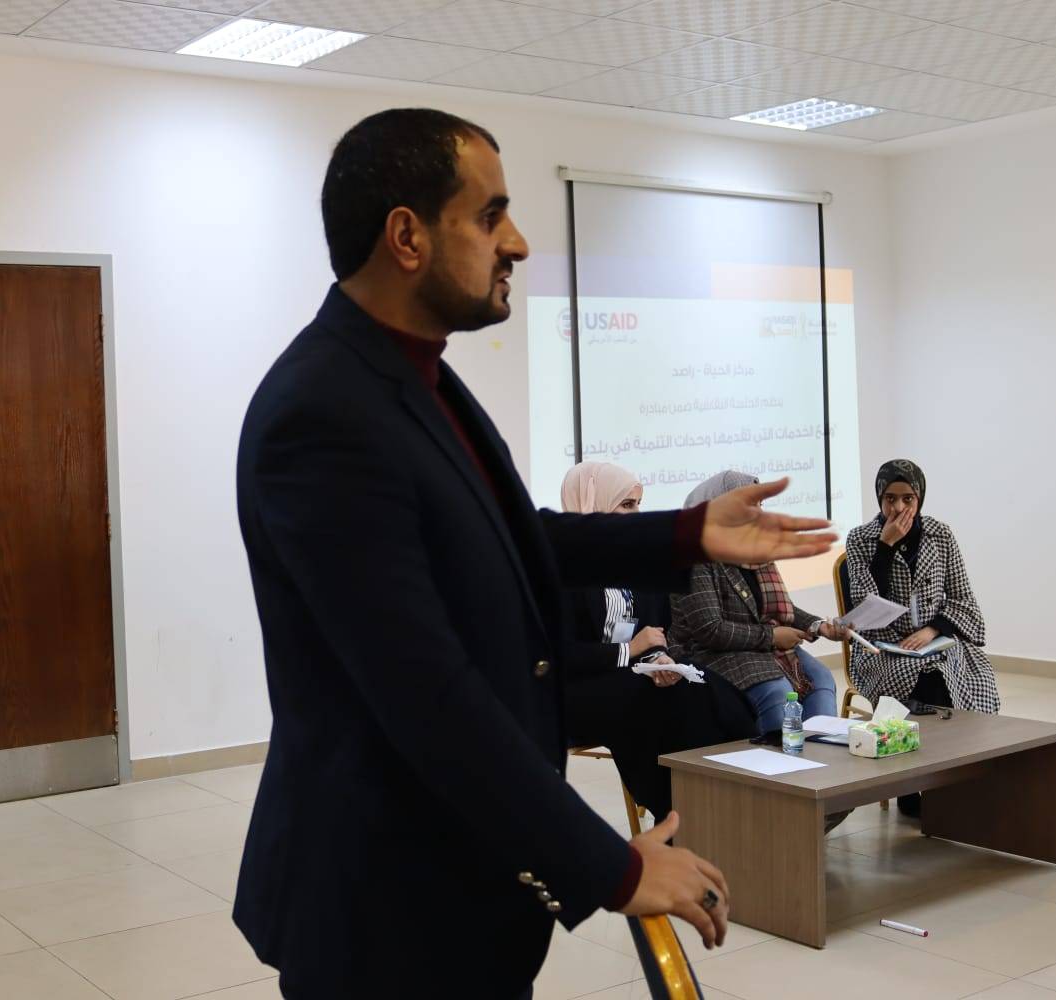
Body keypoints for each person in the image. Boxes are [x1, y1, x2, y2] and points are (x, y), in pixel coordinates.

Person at [234, 107, 834, 999]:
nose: (515, 242)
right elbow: (424, 693)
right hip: (382, 905)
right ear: (406, 236)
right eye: (490, 216)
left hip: (449, 888)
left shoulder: (417, 379)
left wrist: (686, 533)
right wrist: (613, 868)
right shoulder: (322, 414)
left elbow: (517, 533)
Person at [559, 462, 757, 815]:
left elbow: (654, 629)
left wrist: (659, 659)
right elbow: (559, 653)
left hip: (630, 674)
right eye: (626, 504)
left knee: (709, 690)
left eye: (638, 503)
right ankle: (674, 811)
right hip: (574, 689)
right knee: (660, 704)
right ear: (593, 504)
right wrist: (628, 651)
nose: (637, 514)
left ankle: (724, 802)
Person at [846, 459, 999, 816]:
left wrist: (932, 630)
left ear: (920, 498)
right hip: (882, 647)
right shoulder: (860, 539)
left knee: (965, 678)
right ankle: (913, 787)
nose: (898, 508)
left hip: (936, 640)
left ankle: (955, 781)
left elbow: (963, 599)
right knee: (924, 683)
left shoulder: (940, 535)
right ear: (879, 498)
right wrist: (885, 547)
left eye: (908, 499)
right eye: (890, 499)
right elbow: (862, 608)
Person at [667, 471, 845, 734]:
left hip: (761, 647)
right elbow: (710, 630)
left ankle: (822, 753)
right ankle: (779, 760)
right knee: (777, 691)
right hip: (713, 653)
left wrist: (819, 626)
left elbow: (783, 609)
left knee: (821, 678)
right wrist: (771, 636)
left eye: (760, 505)